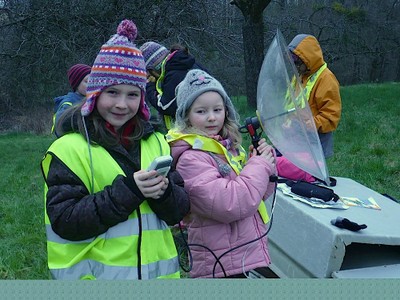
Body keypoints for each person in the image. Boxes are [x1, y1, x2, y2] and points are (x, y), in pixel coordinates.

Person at [41, 19, 190, 280]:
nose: (122, 104)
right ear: (95, 94)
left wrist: (163, 193)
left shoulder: (155, 141)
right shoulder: (67, 150)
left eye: (132, 95)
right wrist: (130, 191)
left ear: (142, 99)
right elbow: (65, 221)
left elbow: (179, 210)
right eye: (112, 92)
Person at [166, 69, 277, 278]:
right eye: (201, 111)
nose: (211, 117)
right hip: (218, 263)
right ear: (186, 116)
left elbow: (257, 195)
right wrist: (259, 167)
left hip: (239, 253)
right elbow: (231, 203)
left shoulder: (226, 148)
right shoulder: (191, 158)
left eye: (217, 109)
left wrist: (264, 163)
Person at [288, 34, 342, 158]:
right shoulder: (300, 76)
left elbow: (330, 118)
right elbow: (291, 104)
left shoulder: (326, 79)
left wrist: (306, 125)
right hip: (297, 140)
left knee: (312, 177)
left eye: (297, 61)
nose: (294, 66)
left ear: (307, 59)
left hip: (316, 142)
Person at [140, 41, 206, 130]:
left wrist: (150, 86)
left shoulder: (173, 74)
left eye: (148, 73)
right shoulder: (186, 64)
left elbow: (165, 106)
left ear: (152, 69)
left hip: (194, 131)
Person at [52, 63, 91, 137]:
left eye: (93, 81)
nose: (91, 85)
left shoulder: (93, 100)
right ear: (77, 84)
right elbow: (60, 127)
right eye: (87, 81)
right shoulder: (68, 103)